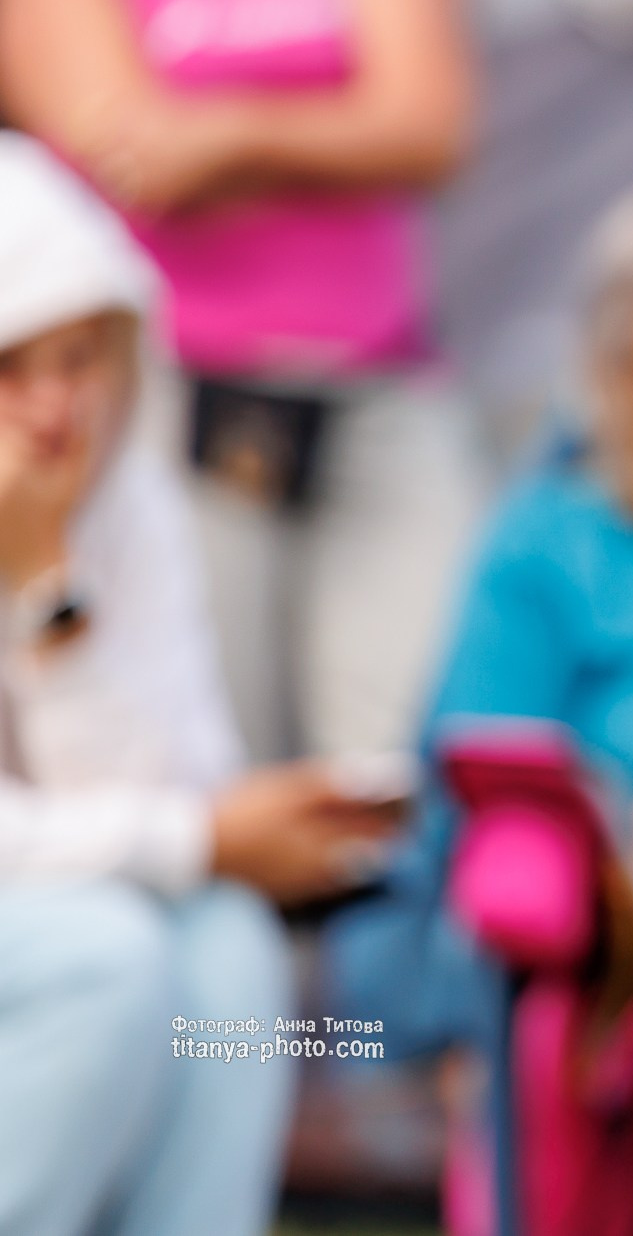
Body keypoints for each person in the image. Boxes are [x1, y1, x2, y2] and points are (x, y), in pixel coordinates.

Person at [324, 191, 633, 1233]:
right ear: (625, 369)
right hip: (614, 935)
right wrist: (630, 838)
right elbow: (478, 764)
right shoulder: (548, 541)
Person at [0, 133, 399, 1236]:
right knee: (106, 957)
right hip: (69, 939)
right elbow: (182, 826)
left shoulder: (123, 503)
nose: (53, 410)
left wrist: (45, 588)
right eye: (11, 368)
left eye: (79, 361)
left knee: (227, 945)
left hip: (74, 904)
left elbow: (167, 782)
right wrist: (198, 839)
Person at [0, 0, 484, 763]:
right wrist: (344, 123)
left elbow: (433, 126)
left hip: (383, 381)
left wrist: (222, 132)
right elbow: (135, 158)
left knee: (410, 755)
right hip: (176, 402)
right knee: (219, 752)